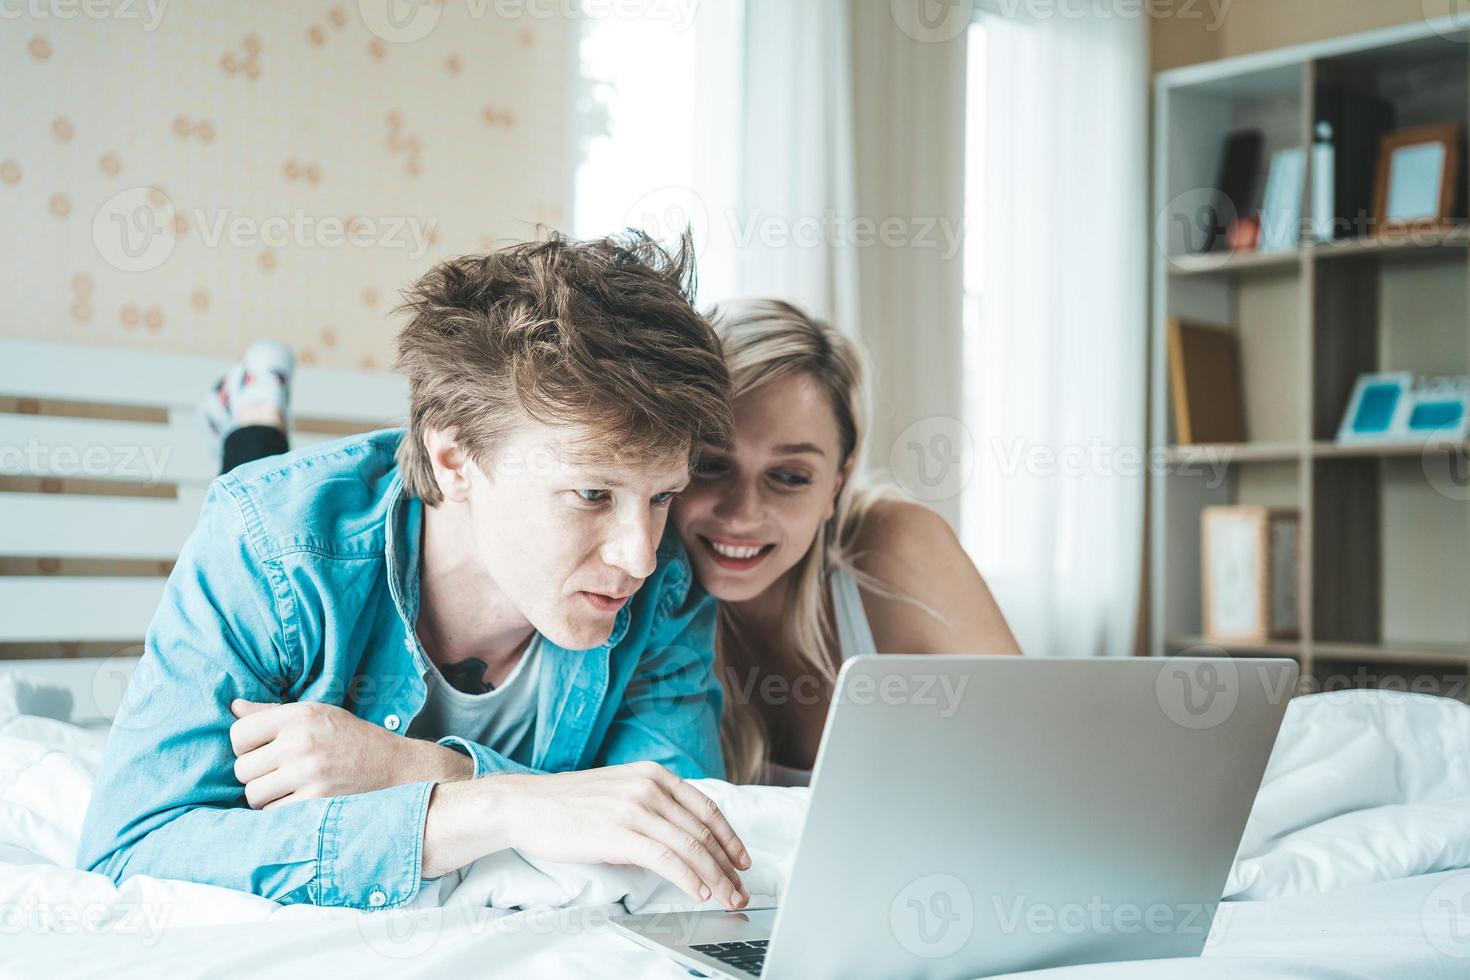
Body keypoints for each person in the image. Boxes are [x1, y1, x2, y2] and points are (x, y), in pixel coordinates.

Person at [76, 231, 753, 913]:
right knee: (260, 466)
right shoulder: (269, 543)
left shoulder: (664, 581)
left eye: (662, 496)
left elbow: (680, 833)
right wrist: (491, 807)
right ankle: (253, 409)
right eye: (592, 495)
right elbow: (131, 849)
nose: (639, 556)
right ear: (456, 461)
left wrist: (422, 770)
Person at [670, 299, 1022, 786]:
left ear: (837, 481)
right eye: (709, 465)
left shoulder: (898, 547)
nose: (742, 513)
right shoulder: (632, 593)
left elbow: (1036, 758)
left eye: (790, 476)